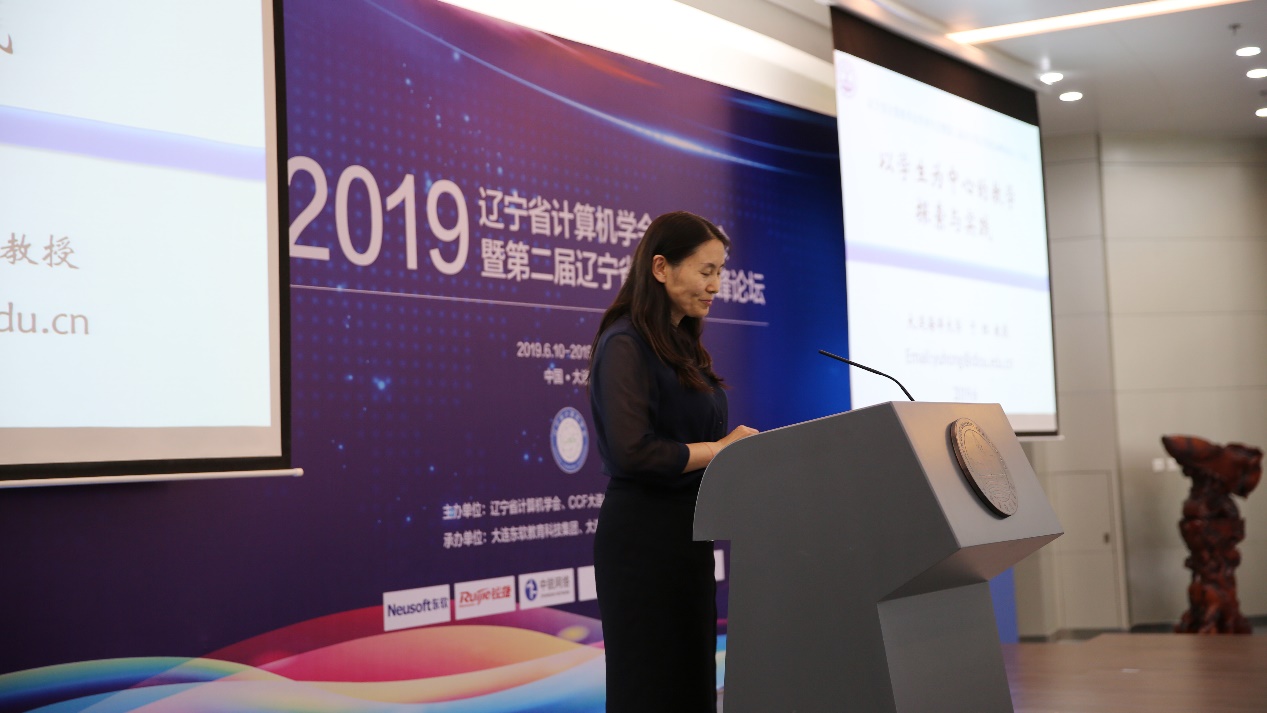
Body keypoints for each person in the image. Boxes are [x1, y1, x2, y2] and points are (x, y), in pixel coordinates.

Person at [588, 210, 758, 712]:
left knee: (689, 687)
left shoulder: (682, 345)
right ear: (661, 268)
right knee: (649, 690)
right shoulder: (625, 342)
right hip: (643, 545)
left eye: (720, 271)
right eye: (706, 271)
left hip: (689, 539)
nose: (716, 285)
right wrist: (721, 449)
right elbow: (633, 450)